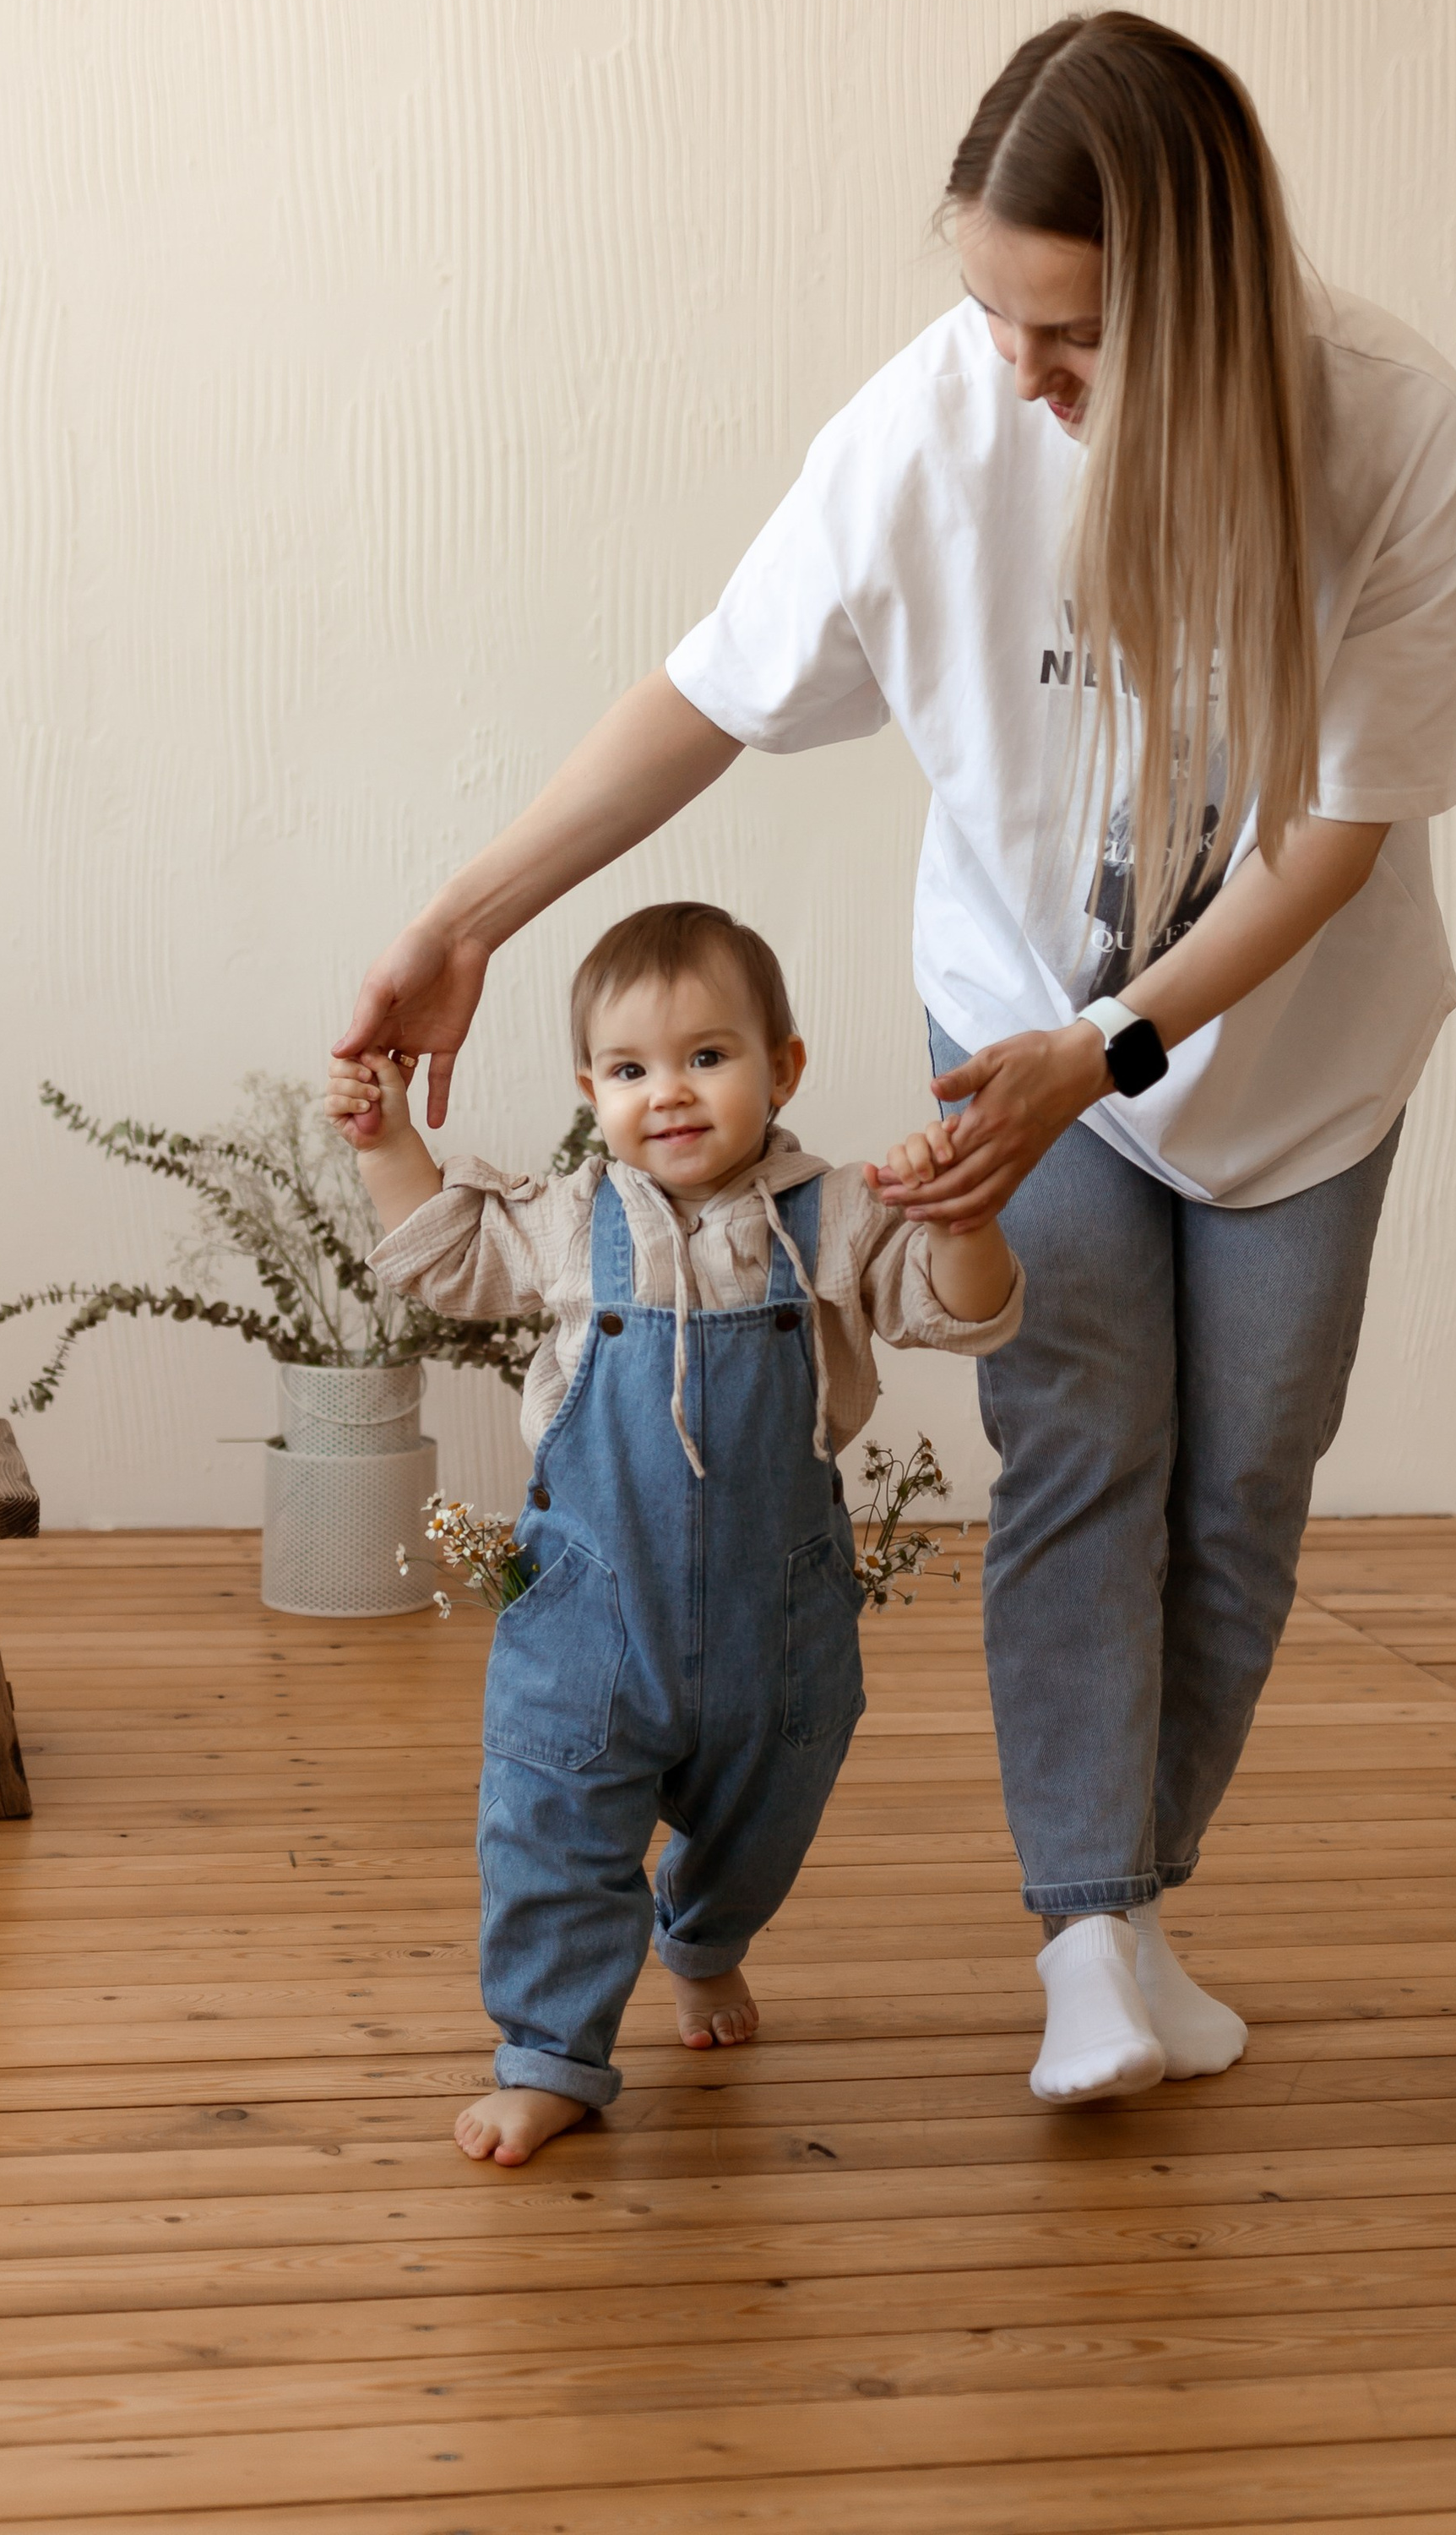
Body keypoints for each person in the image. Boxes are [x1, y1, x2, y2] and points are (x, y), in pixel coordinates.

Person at [337, 8, 1456, 2109]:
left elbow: (1342, 826)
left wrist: (1121, 1039)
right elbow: (708, 690)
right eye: (985, 308)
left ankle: (1135, 1905)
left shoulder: (1389, 429)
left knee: (1237, 1489)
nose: (1017, 370)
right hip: (1009, 1023)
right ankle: (1080, 1941)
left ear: (1206, 303)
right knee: (1077, 1449)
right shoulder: (929, 427)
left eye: (1068, 331)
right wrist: (466, 914)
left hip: (1292, 1051)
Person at [329, 899, 1022, 2164]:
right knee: (550, 1824)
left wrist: (965, 1219)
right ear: (591, 1088)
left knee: (768, 1814)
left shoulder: (837, 1216)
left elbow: (958, 1317)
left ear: (783, 1067)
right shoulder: (566, 1219)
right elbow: (441, 1259)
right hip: (590, 1610)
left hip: (780, 1619)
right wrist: (384, 1146)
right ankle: (550, 2054)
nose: (673, 1094)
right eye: (634, 1069)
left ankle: (703, 1939)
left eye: (709, 1056)